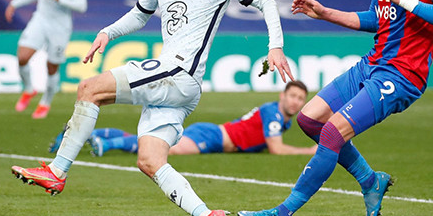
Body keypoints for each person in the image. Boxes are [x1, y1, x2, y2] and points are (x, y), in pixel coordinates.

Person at [11, 0, 293, 216]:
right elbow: (139, 15)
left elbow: (268, 4)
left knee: (89, 88)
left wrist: (275, 46)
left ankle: (57, 171)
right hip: (178, 88)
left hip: (178, 72)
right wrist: (108, 33)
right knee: (149, 160)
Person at [238, 0, 433, 216]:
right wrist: (325, 12)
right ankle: (370, 180)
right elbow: (377, 19)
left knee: (332, 131)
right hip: (372, 64)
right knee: (309, 119)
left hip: (403, 74)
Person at [49, 81, 316, 157]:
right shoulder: (274, 114)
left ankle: (95, 135)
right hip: (210, 137)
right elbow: (276, 149)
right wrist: (309, 150)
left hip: (213, 136)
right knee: (165, 151)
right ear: (283, 96)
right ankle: (104, 144)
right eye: (292, 96)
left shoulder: (278, 115)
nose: (295, 102)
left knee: (158, 146)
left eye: (299, 99)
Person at [5, 0, 87, 119]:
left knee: (51, 66)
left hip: (60, 26)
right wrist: (15, 3)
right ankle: (28, 89)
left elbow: (82, 5)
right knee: (22, 56)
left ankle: (45, 102)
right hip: (40, 19)